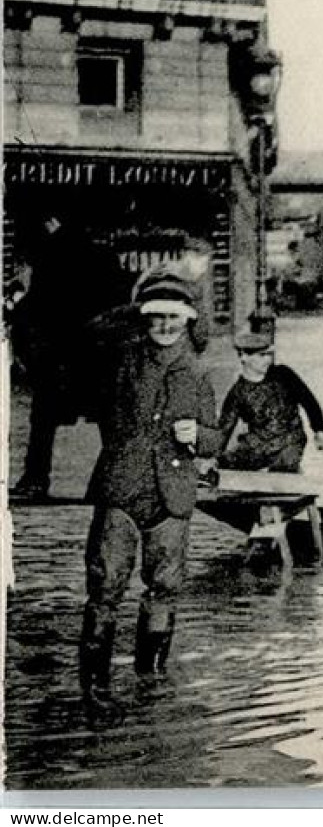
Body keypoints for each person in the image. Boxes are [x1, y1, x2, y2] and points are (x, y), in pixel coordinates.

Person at [80, 269, 222, 725]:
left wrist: (199, 435)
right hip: (121, 490)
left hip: (172, 498)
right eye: (156, 318)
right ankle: (95, 687)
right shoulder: (121, 359)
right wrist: (138, 299)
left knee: (164, 590)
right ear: (143, 319)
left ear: (188, 322)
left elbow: (217, 439)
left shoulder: (199, 373)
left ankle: (151, 685)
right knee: (105, 588)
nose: (164, 327)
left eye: (174, 319)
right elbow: (88, 335)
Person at [10, 215, 129, 499]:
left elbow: (35, 306)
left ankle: (36, 480)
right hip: (98, 355)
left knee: (44, 421)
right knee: (108, 421)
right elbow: (119, 304)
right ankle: (107, 483)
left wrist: (24, 338)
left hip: (59, 354)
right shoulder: (104, 255)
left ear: (52, 222)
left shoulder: (49, 255)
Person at [216, 332, 323, 473]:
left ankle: (290, 475)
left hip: (290, 440)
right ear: (244, 356)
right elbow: (224, 429)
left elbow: (308, 401)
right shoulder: (237, 393)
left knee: (283, 468)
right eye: (261, 356)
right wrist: (212, 458)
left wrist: (319, 431)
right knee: (224, 463)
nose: (267, 360)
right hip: (258, 445)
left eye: (269, 354)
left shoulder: (284, 374)